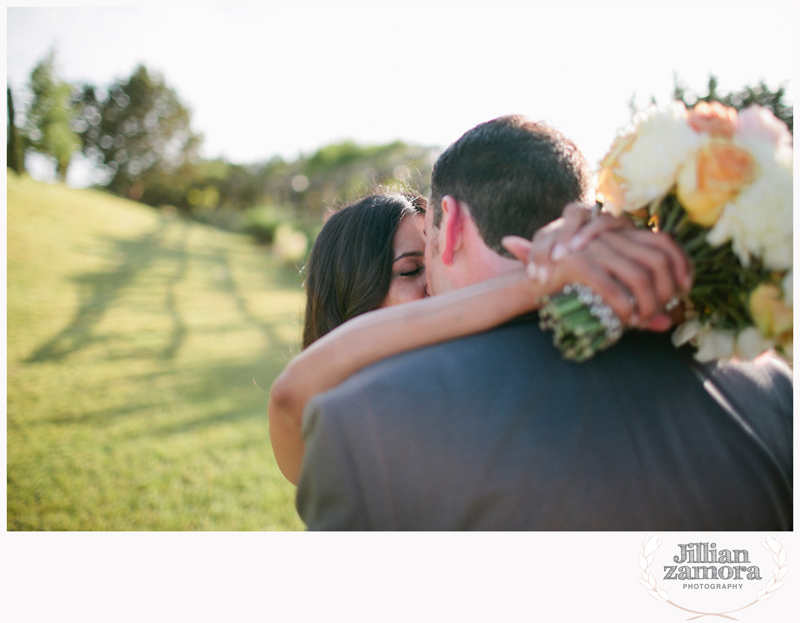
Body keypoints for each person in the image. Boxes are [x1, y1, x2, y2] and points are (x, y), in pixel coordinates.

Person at [295, 115, 792, 530]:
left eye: (425, 247)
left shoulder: (365, 424)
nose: (427, 279)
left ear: (451, 228)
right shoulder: (773, 387)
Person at [269, 185, 685, 485]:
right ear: (351, 294)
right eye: (412, 271)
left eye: (437, 265)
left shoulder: (491, 366)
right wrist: (538, 279)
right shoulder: (337, 417)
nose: (437, 287)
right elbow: (290, 396)